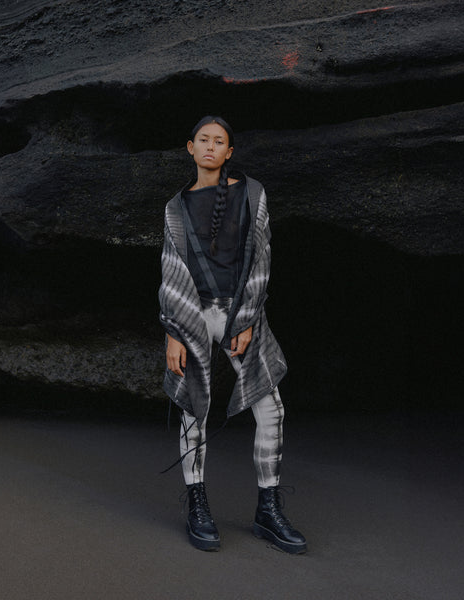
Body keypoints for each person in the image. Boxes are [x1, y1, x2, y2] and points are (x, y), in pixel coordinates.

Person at [158, 115, 306, 554]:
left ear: (229, 152)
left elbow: (262, 257)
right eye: (202, 140)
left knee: (271, 408)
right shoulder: (174, 208)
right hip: (193, 317)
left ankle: (268, 509)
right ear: (190, 147)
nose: (209, 147)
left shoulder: (252, 194)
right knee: (193, 409)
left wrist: (247, 319)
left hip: (241, 314)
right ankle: (198, 504)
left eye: (218, 141)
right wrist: (173, 333)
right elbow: (170, 271)